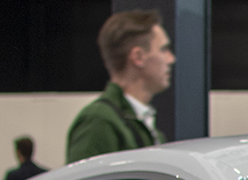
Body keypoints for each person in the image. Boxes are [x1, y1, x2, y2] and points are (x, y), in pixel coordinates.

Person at [66, 9, 173, 163]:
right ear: (138, 57)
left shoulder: (140, 122)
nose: (171, 59)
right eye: (163, 49)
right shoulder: (99, 122)